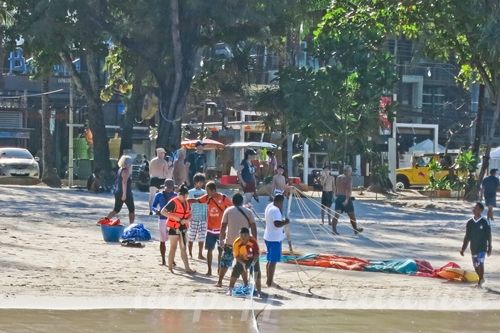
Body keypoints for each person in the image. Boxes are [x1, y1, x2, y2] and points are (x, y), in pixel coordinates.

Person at [193, 181, 232, 276]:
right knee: (209, 250)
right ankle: (209, 270)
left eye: (208, 191)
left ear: (214, 190)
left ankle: (219, 268)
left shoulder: (223, 198)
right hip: (210, 229)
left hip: (220, 230)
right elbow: (197, 200)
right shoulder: (207, 198)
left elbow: (232, 207)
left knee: (220, 250)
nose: (206, 193)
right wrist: (184, 199)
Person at [218, 193, 257, 287]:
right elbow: (253, 227)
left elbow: (223, 226)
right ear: (242, 201)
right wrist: (254, 241)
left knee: (225, 263)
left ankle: (219, 282)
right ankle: (246, 284)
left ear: (232, 201)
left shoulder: (228, 210)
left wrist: (221, 239)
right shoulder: (248, 212)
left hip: (230, 242)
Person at [160, 185, 195, 274]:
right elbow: (163, 212)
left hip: (183, 228)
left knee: (183, 248)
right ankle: (170, 268)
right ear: (179, 194)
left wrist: (186, 220)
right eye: (183, 196)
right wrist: (176, 218)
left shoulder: (187, 203)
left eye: (186, 196)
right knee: (173, 247)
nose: (185, 198)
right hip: (173, 227)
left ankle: (187, 268)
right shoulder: (173, 202)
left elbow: (191, 214)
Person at [460, 202, 492, 288]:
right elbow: (467, 236)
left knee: (481, 263)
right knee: (475, 265)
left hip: (482, 247)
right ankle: (481, 278)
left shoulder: (485, 221)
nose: (474, 209)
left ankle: (480, 281)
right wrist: (463, 249)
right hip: (473, 247)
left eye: (476, 208)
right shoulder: (469, 222)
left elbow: (488, 235)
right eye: (473, 208)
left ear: (481, 210)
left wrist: (490, 247)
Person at [264, 194, 289, 287]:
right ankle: (270, 282)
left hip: (269, 236)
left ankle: (269, 280)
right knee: (273, 261)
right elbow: (277, 224)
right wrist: (285, 222)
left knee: (270, 260)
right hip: (274, 239)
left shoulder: (269, 206)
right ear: (280, 202)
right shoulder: (275, 210)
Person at [227, 227, 261, 296]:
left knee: (256, 273)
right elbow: (236, 256)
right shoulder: (236, 243)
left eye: (245, 236)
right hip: (241, 258)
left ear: (249, 235)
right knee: (236, 270)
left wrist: (254, 262)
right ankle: (230, 289)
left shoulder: (253, 241)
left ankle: (259, 291)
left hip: (253, 258)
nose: (243, 238)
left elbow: (257, 254)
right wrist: (242, 263)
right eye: (241, 236)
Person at [151, 179, 177, 266]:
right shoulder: (158, 195)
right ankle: (163, 260)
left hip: (172, 219)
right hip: (162, 219)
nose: (169, 189)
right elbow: (153, 206)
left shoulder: (175, 195)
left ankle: (172, 259)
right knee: (162, 240)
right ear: (164, 187)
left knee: (173, 240)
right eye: (168, 187)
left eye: (171, 187)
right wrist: (156, 210)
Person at [332, 165, 363, 235]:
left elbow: (336, 187)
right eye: (350, 171)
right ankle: (355, 229)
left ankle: (334, 230)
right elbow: (348, 189)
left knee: (336, 215)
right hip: (345, 198)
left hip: (339, 197)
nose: (351, 172)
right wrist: (346, 199)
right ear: (347, 171)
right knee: (352, 215)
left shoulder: (338, 177)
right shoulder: (349, 178)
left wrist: (335, 196)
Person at [106, 155, 135, 224]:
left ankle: (105, 220)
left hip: (118, 192)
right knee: (131, 210)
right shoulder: (126, 171)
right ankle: (131, 225)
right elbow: (124, 182)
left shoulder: (120, 169)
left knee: (116, 210)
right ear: (128, 163)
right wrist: (124, 194)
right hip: (125, 193)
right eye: (130, 163)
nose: (131, 164)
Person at [187, 173, 208, 259]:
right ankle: (190, 253)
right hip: (193, 217)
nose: (201, 184)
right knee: (191, 236)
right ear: (195, 182)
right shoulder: (190, 192)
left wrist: (206, 216)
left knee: (201, 237)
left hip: (203, 217)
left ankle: (200, 254)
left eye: (202, 182)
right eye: (200, 182)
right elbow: (188, 204)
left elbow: (207, 204)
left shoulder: (205, 192)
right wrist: (189, 216)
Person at [149, 148, 171, 215]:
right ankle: (159, 210)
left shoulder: (152, 161)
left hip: (153, 179)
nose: (164, 154)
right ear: (160, 153)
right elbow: (166, 173)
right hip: (161, 180)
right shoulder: (164, 162)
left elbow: (150, 171)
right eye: (163, 153)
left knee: (152, 196)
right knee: (161, 195)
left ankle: (150, 210)